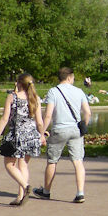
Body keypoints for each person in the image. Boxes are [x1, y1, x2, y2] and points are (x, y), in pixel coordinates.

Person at [33, 66, 92, 204]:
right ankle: (80, 193)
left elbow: (48, 115)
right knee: (78, 161)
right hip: (76, 130)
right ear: (70, 77)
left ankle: (46, 191)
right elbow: (87, 113)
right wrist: (84, 126)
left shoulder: (53, 91)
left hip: (59, 129)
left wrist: (42, 132)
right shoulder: (79, 91)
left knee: (52, 161)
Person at [0, 73, 43, 206]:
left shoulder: (12, 97)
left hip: (16, 136)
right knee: (23, 165)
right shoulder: (36, 98)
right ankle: (20, 196)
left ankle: (26, 187)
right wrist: (42, 135)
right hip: (31, 136)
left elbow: (4, 119)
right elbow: (40, 122)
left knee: (9, 165)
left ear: (19, 83)